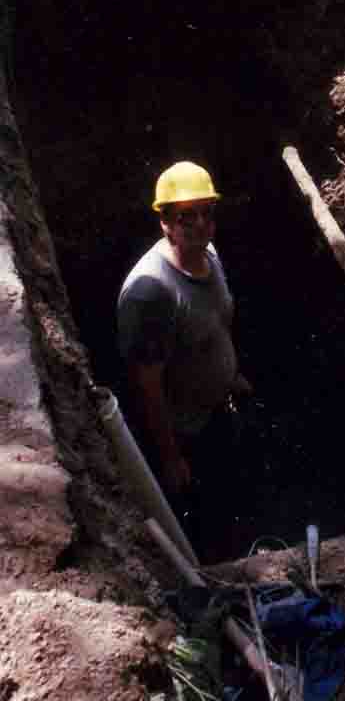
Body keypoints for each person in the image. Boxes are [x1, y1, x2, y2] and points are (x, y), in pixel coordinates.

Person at [117, 161, 249, 499]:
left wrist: (231, 375)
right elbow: (147, 385)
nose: (200, 223)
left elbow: (219, 319)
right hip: (186, 433)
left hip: (219, 408)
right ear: (164, 222)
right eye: (186, 216)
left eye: (207, 212)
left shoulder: (210, 255)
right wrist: (171, 458)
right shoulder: (151, 294)